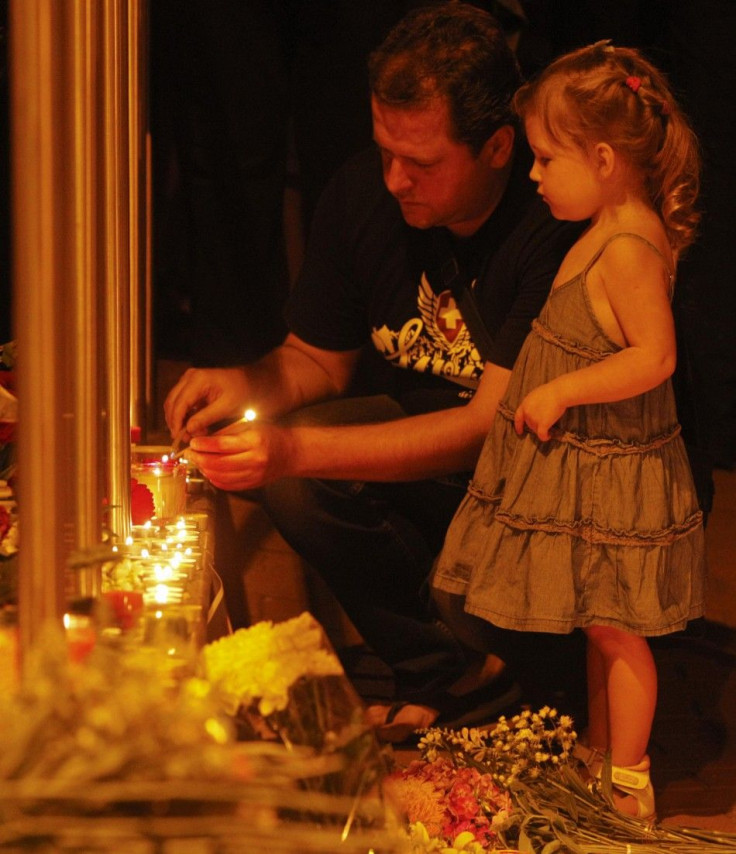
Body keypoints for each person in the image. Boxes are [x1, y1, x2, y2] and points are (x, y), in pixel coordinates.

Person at [163, 3, 585, 740]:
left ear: (496, 148)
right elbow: (316, 361)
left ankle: (521, 670)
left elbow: (487, 426)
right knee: (296, 474)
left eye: (421, 163)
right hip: (420, 448)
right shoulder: (364, 193)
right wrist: (244, 383)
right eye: (384, 150)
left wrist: (290, 450)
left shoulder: (548, 223)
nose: (395, 180)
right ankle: (452, 674)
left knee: (296, 460)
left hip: (540, 472)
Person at [432, 41, 706, 819]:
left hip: (613, 475)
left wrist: (561, 392)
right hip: (587, 474)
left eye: (548, 159)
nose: (534, 174)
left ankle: (629, 782)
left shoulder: (627, 249)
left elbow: (655, 356)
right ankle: (597, 752)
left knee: (619, 632)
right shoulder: (606, 228)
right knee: (599, 621)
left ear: (605, 157)